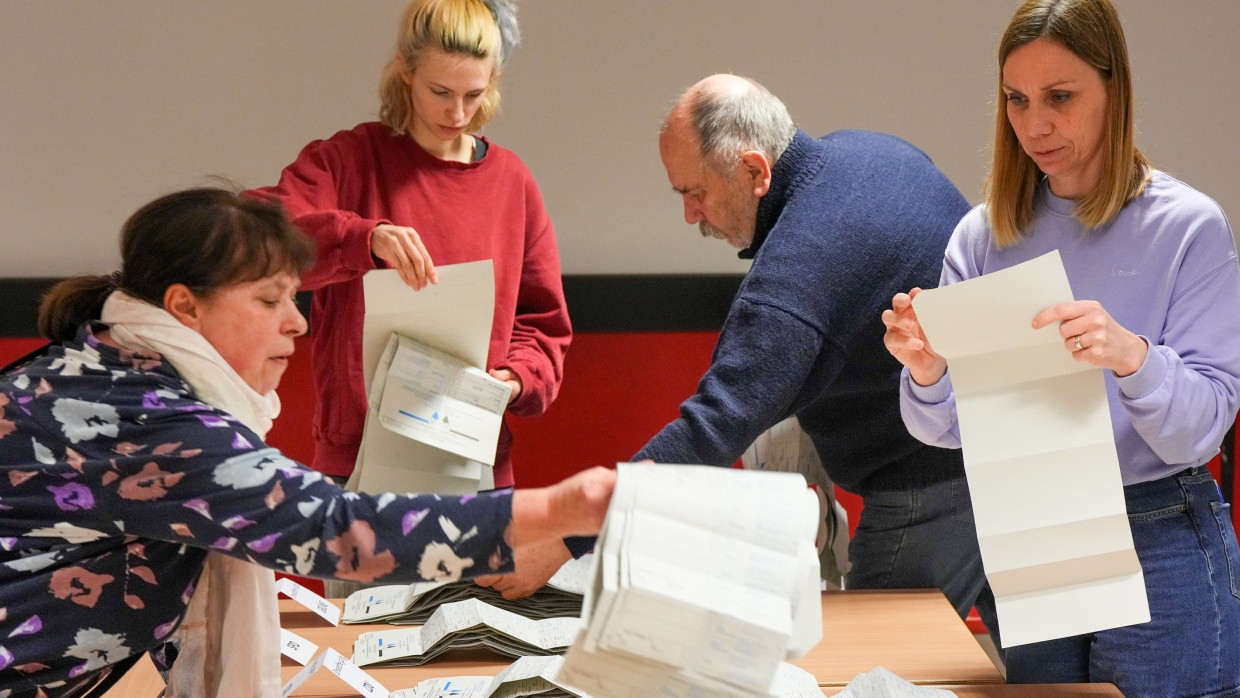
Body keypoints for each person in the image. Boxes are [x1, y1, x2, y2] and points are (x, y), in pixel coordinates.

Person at [0, 188, 614, 698]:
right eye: (270, 300)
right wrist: (560, 511)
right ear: (184, 307)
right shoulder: (144, 417)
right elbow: (338, 531)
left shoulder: (102, 366)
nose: (297, 321)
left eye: (294, 297)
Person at [496, 73, 1001, 634]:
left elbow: (709, 431)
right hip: (1012, 445)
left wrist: (566, 537)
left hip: (934, 480)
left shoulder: (795, 272)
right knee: (1039, 669)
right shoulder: (875, 151)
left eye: (696, 192)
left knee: (871, 669)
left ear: (756, 172)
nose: (690, 214)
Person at [882, 0, 1240, 694]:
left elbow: (1201, 429)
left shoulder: (1188, 227)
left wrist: (1132, 356)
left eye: (1060, 97)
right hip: (1036, 531)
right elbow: (946, 429)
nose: (1034, 124)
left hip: (1157, 529)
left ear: (1115, 89)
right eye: (1017, 100)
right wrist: (927, 372)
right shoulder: (982, 237)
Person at [244, 0, 570, 496]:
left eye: (474, 94)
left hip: (473, 459)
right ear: (405, 69)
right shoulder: (350, 161)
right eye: (440, 91)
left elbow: (543, 325)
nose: (457, 113)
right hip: (358, 460)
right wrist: (362, 238)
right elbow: (256, 234)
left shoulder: (513, 183)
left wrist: (515, 379)